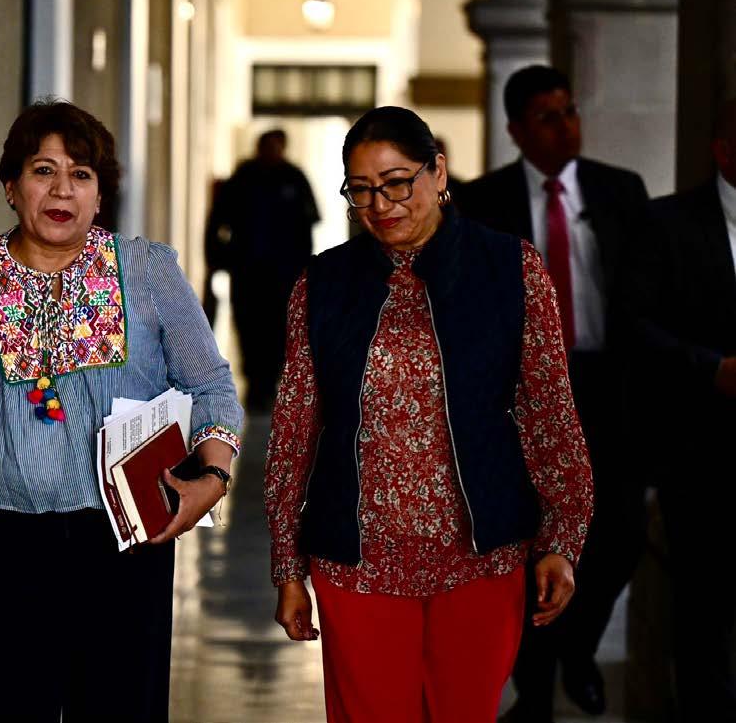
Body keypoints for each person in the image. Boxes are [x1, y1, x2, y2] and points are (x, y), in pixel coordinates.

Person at [0, 99, 243, 722]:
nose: (62, 189)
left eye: (81, 174)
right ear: (11, 187)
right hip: (2, 544)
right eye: (43, 171)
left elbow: (210, 386)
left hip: (127, 538)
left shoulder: (147, 273)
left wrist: (212, 479)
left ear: (100, 194)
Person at [264, 106, 593, 723]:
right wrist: (287, 564)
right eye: (361, 189)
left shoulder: (511, 270)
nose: (380, 205)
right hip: (356, 561)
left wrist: (562, 539)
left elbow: (549, 415)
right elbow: (294, 430)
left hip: (481, 557)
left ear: (437, 172)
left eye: (396, 183)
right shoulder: (323, 283)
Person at [457, 65, 649, 722]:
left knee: (621, 530)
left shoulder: (621, 191)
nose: (566, 126)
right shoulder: (483, 202)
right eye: (547, 117)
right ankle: (534, 690)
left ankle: (578, 647)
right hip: (524, 393)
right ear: (516, 129)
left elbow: (643, 295)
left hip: (607, 385)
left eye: (570, 111)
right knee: (532, 540)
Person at [628, 98, 736, 722]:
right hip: (699, 453)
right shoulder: (666, 223)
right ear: (724, 150)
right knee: (703, 611)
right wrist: (711, 369)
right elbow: (636, 327)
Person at [205, 128, 319, 410]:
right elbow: (218, 221)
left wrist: (306, 271)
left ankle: (270, 384)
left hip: (284, 274)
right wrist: (216, 260)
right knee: (249, 327)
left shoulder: (293, 177)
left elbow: (308, 225)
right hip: (248, 272)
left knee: (280, 329)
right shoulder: (244, 177)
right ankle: (256, 384)